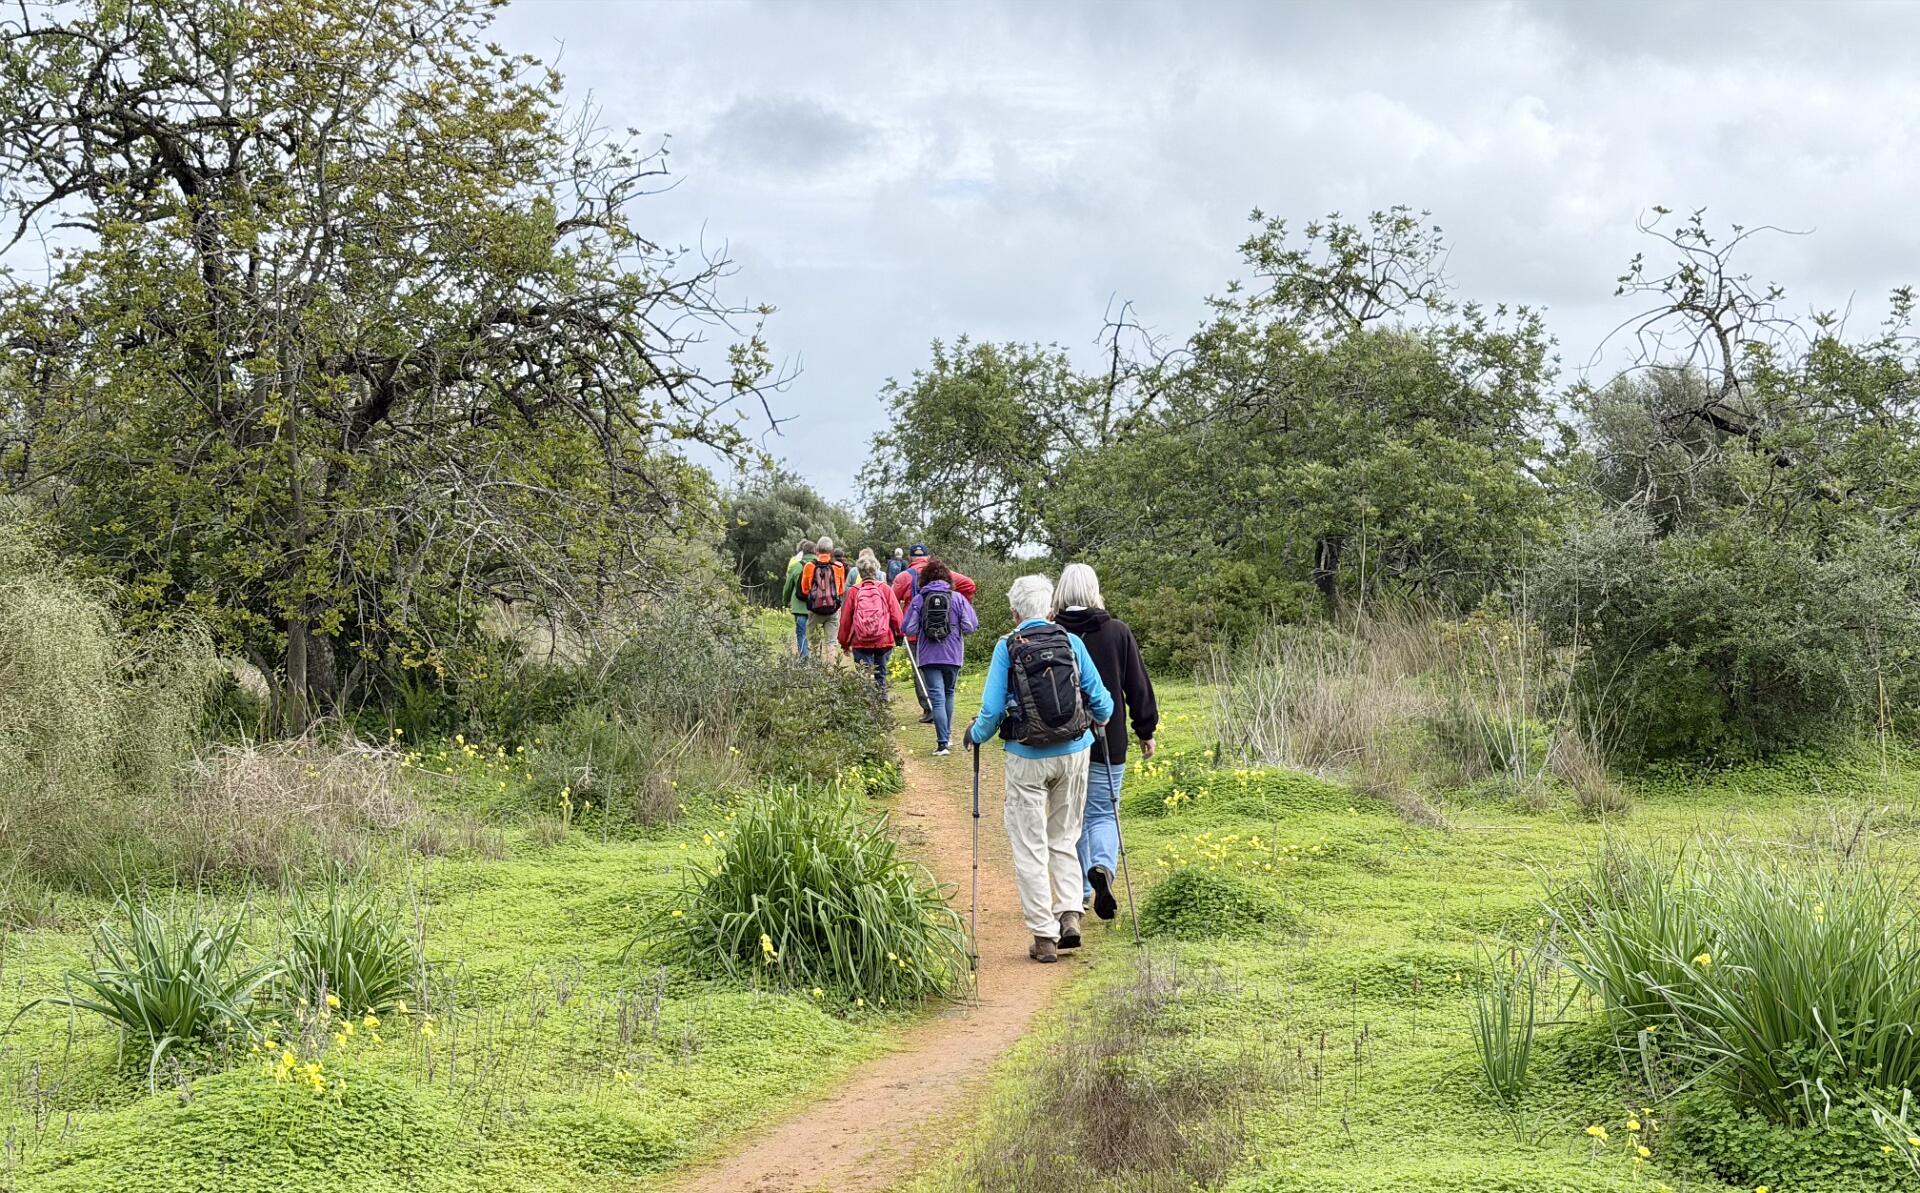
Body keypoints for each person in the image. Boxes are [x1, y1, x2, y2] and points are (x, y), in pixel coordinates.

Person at [965, 575, 1114, 964]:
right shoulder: (1071, 642)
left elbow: (991, 711)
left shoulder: (1007, 646)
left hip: (1026, 756)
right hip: (1074, 753)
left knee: (1029, 845)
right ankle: (1070, 915)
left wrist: (975, 735)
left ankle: (1044, 937)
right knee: (1064, 836)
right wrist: (1097, 719)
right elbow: (1102, 702)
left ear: (1014, 613)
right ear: (1050, 610)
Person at [1053, 563, 1158, 923]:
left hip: (1064, 739)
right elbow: (1137, 686)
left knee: (1073, 817)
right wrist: (1146, 730)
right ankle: (1102, 868)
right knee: (1102, 813)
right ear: (1094, 590)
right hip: (1108, 739)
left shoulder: (1052, 633)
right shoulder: (1117, 631)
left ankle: (1081, 891)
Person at [899, 558, 978, 756]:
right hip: (953, 655)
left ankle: (942, 744)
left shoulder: (920, 599)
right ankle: (947, 737)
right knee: (949, 693)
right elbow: (970, 626)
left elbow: (908, 628)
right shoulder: (957, 598)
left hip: (928, 656)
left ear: (924, 578)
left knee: (937, 697)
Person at [839, 549, 904, 698]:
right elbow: (896, 615)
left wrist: (844, 643)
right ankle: (882, 703)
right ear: (876, 570)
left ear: (859, 572)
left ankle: (868, 705)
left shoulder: (853, 591)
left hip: (860, 641)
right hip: (884, 639)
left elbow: (845, 620)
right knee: (881, 674)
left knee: (865, 677)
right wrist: (900, 634)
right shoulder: (885, 589)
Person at [798, 537, 849, 664]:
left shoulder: (809, 566)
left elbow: (805, 589)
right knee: (831, 643)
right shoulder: (838, 567)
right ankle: (831, 669)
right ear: (831, 551)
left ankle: (816, 668)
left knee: (813, 641)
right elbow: (840, 590)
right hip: (832, 610)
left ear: (817, 551)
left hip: (815, 610)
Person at [780, 538, 817, 658]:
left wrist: (785, 601)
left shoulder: (796, 566)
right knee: (816, 636)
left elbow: (788, 587)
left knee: (802, 635)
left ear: (803, 552)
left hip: (800, 607)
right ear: (815, 552)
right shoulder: (822, 566)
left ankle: (804, 660)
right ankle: (818, 661)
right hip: (818, 608)